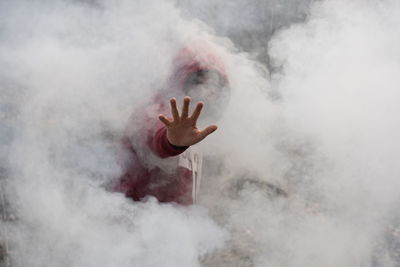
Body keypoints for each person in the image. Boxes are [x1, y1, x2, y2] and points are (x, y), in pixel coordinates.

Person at [113, 44, 230, 205]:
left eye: (216, 84)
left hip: (172, 222)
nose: (209, 91)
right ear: (180, 80)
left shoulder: (193, 123)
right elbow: (156, 135)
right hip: (136, 219)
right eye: (198, 81)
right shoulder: (155, 110)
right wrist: (172, 142)